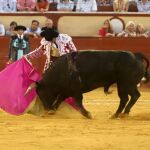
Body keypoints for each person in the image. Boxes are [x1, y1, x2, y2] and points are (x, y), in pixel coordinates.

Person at [0, 28, 78, 116]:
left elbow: (74, 52)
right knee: (43, 87)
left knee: (64, 88)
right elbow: (39, 51)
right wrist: (27, 56)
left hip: (65, 68)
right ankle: (47, 107)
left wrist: (71, 65)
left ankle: (60, 107)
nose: (49, 42)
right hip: (51, 66)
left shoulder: (65, 39)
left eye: (50, 40)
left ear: (54, 37)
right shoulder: (46, 41)